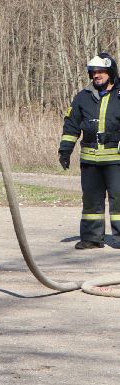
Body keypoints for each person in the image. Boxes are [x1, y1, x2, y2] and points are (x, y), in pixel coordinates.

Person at [58, 52, 120, 250]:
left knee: (118, 199)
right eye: (93, 72)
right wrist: (65, 151)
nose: (96, 75)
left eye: (101, 71)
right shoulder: (82, 97)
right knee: (91, 201)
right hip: (90, 160)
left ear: (110, 72)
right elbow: (71, 126)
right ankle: (92, 238)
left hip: (115, 159)